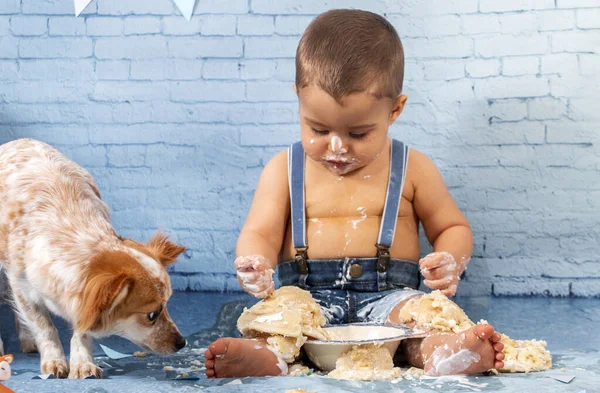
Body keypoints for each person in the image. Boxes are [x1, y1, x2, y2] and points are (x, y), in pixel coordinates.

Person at [204, 9, 504, 378]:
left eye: (358, 134)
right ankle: (266, 357)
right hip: (307, 299)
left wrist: (450, 258)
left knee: (421, 324)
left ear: (395, 110)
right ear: (298, 98)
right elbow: (260, 232)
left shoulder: (412, 167)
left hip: (390, 298)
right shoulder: (283, 169)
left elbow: (452, 225)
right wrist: (256, 262)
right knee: (281, 325)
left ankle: (445, 352)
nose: (336, 147)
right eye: (317, 128)